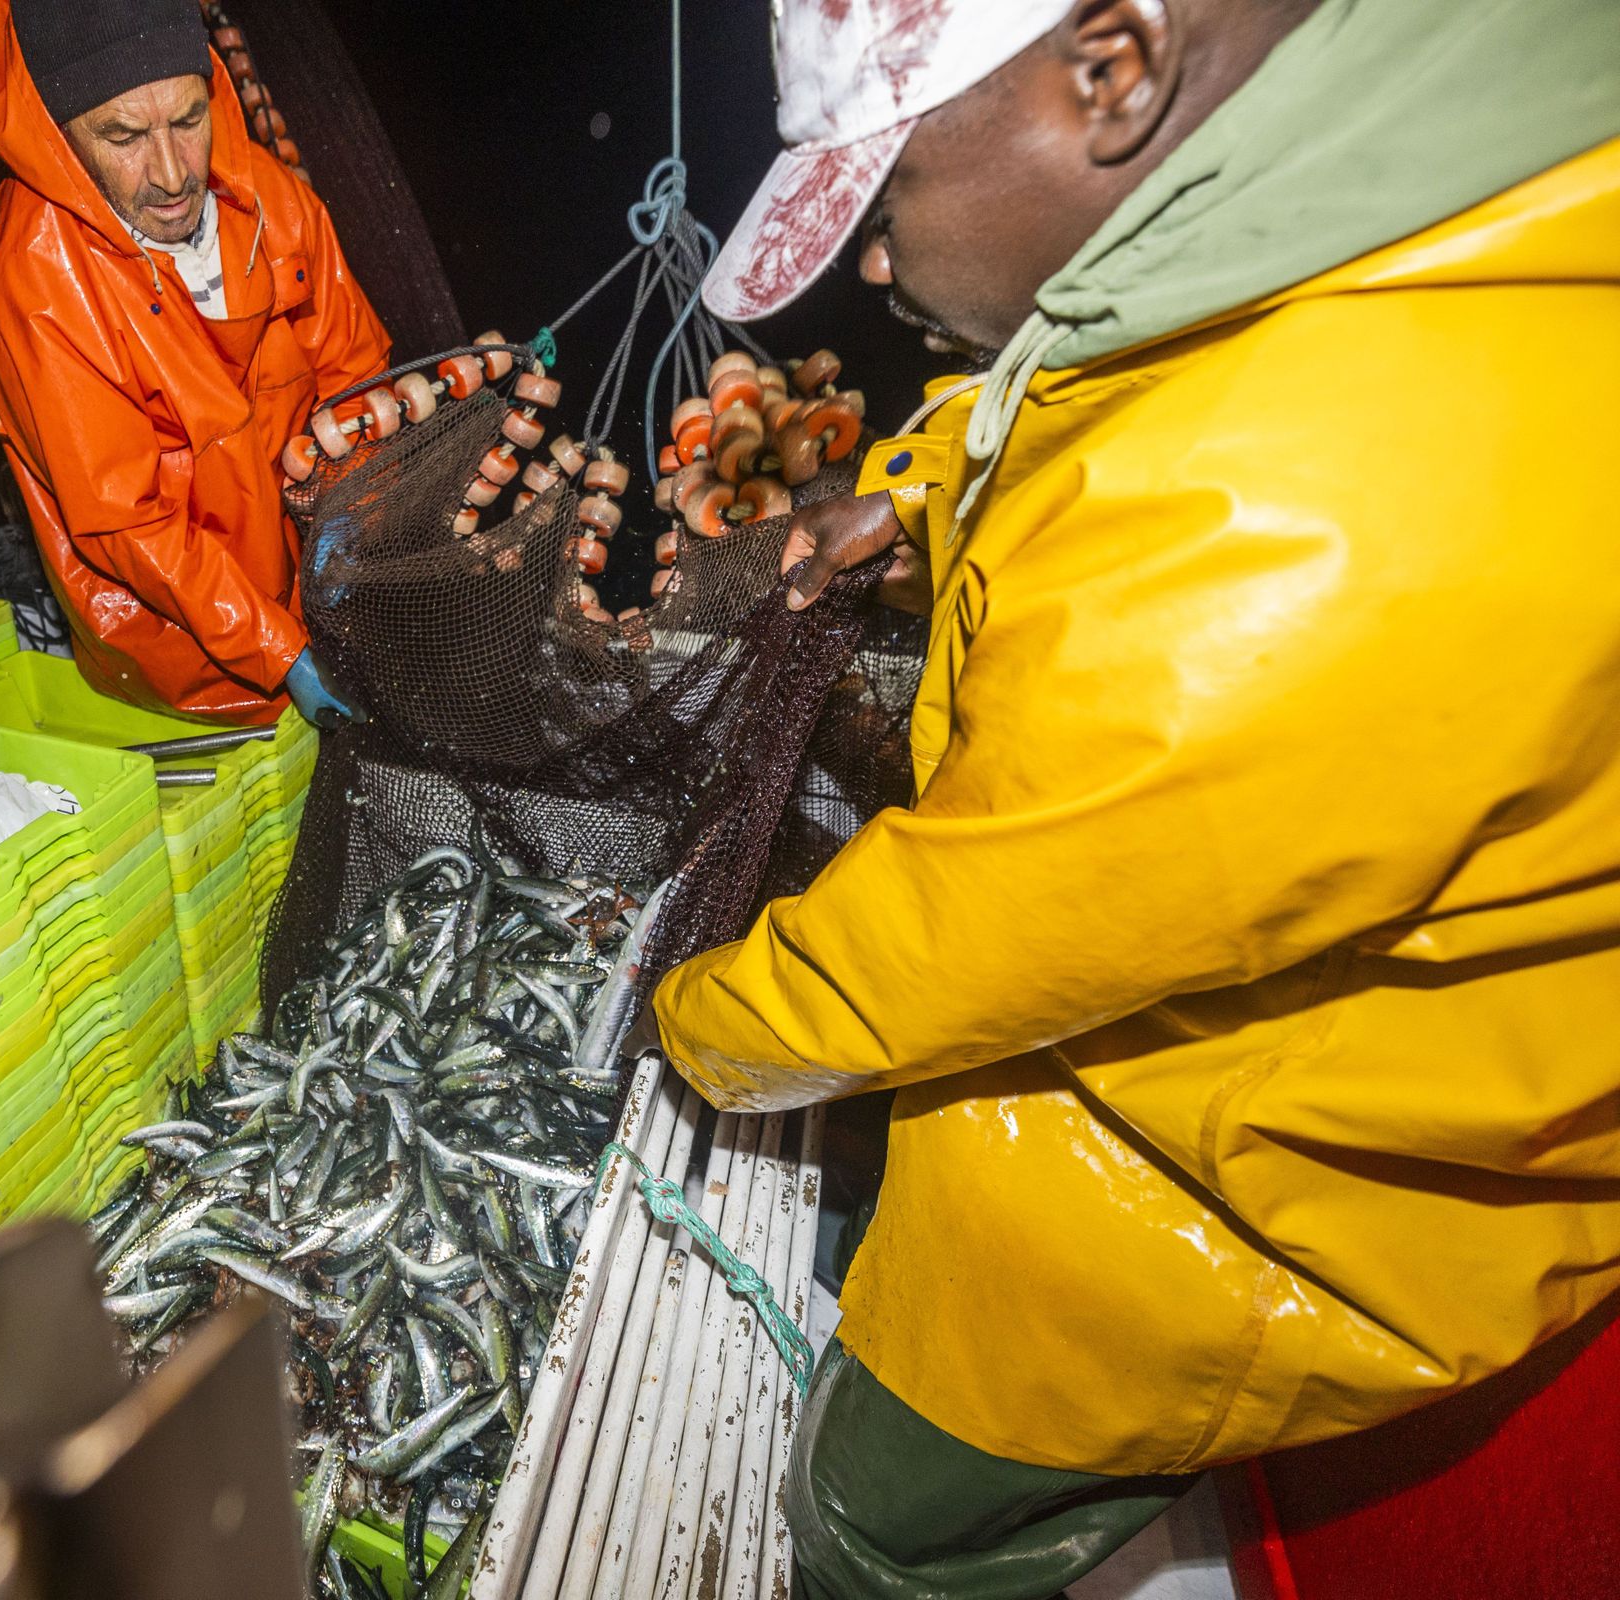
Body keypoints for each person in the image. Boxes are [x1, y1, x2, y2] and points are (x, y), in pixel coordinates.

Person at [655, 0, 1620, 1594]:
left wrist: (689, 1024)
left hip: (1255, 1204)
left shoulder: (1298, 498)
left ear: (1110, 70)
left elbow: (959, 938)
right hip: (1262, 1002)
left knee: (866, 1513)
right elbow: (1095, 374)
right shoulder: (1378, 184)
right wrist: (905, 498)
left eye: (887, 198)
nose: (878, 267)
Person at [0, 0, 387, 727]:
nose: (170, 174)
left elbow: (357, 378)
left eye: (188, 120)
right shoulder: (34, 280)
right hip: (180, 657)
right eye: (123, 135)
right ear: (59, 137)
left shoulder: (275, 205)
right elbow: (129, 525)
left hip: (317, 595)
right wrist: (281, 652)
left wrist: (355, 539)